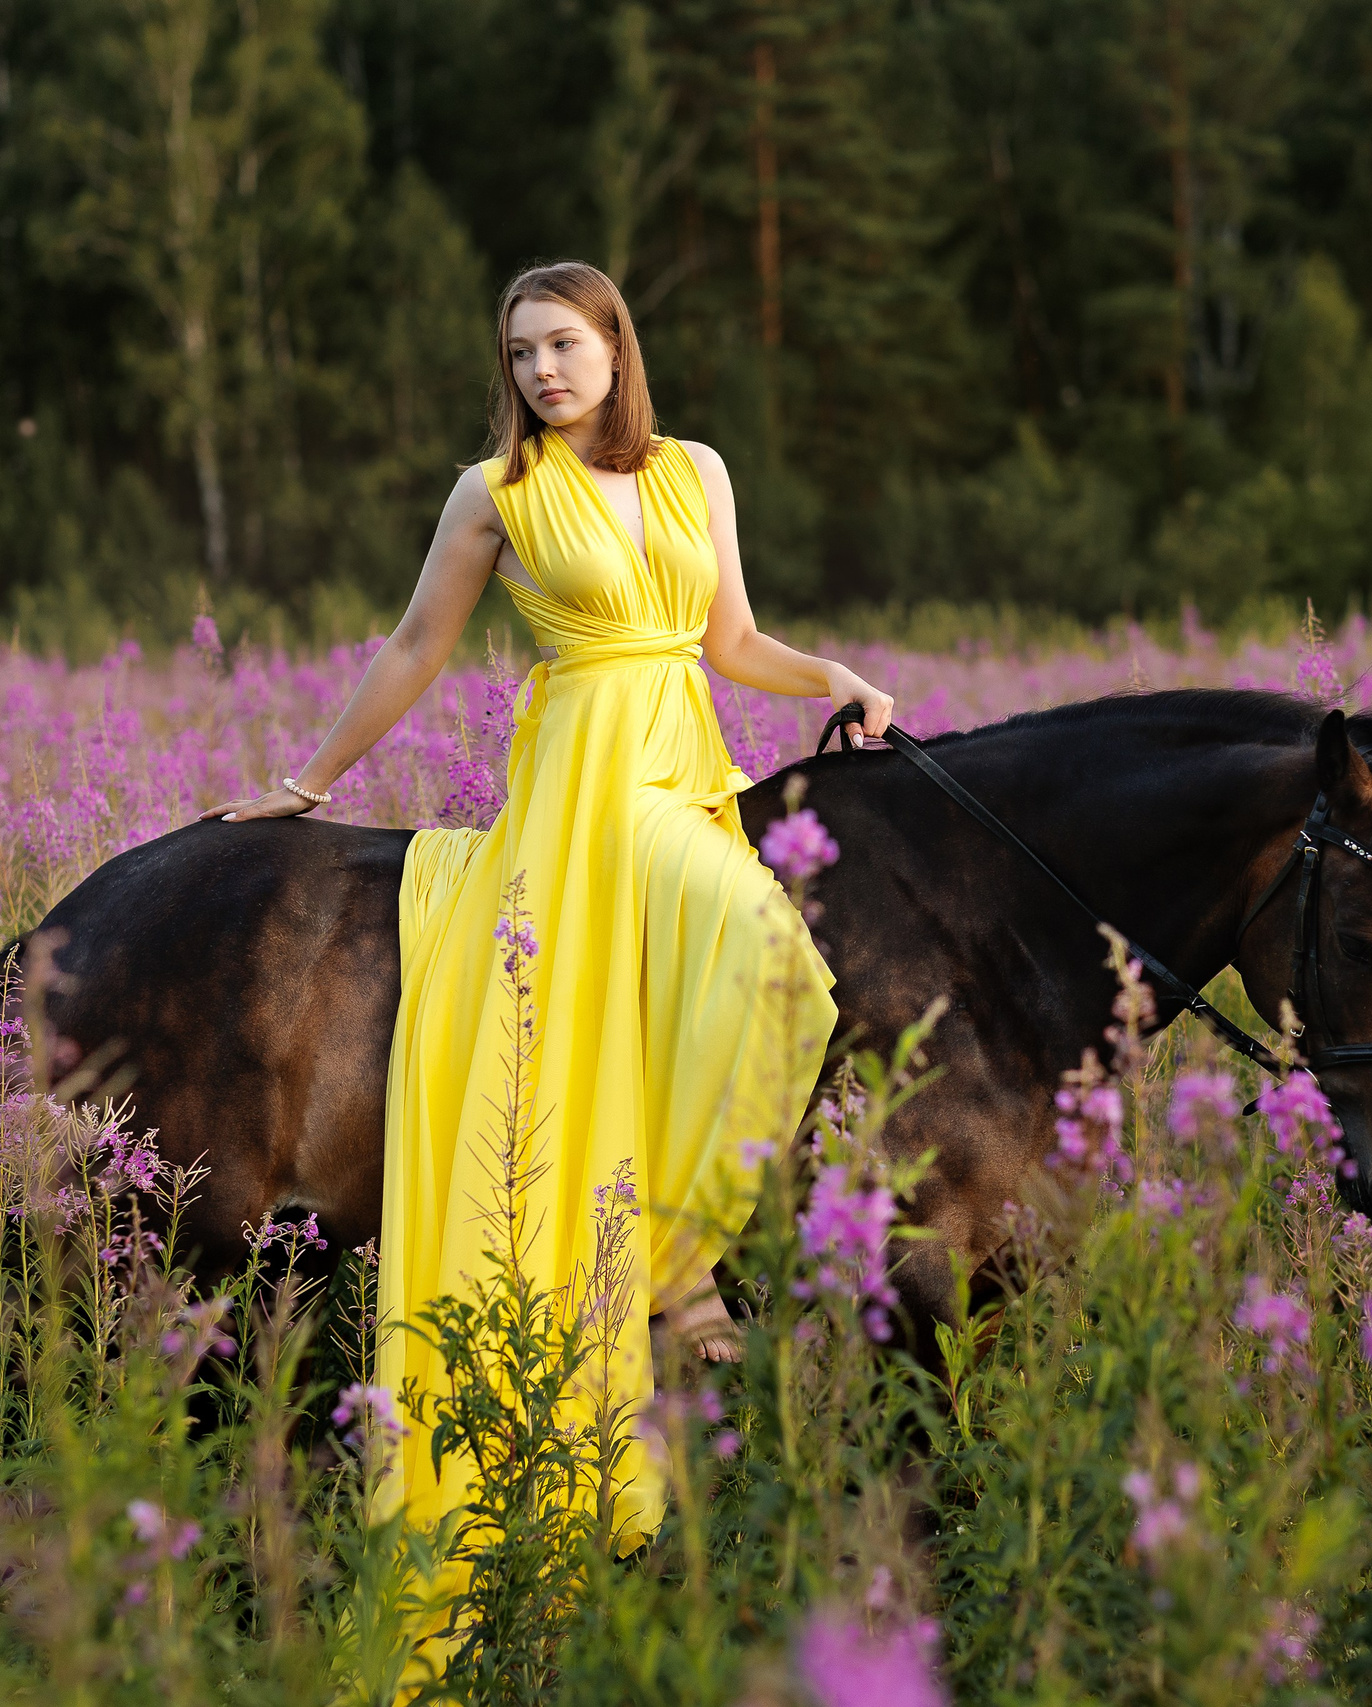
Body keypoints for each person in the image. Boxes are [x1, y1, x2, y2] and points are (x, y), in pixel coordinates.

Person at [201, 260, 893, 1558]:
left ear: (614, 347)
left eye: (562, 345)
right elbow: (415, 645)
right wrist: (309, 779)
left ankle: (679, 1242)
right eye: (520, 354)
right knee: (765, 949)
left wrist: (834, 675)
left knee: (775, 965)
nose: (541, 372)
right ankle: (675, 1277)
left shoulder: (697, 469)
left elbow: (733, 639)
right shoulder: (497, 493)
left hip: (695, 765)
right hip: (588, 781)